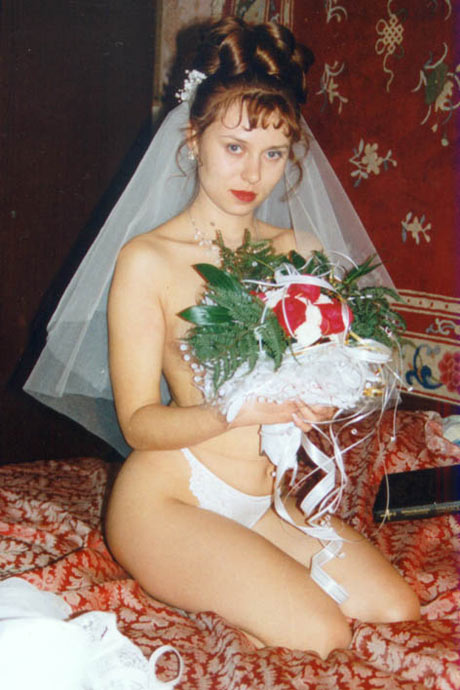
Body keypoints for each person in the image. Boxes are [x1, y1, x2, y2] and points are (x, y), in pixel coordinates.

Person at [24, 17, 419, 658]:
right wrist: (233, 410)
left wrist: (323, 397)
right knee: (324, 634)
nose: (252, 172)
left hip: (263, 498)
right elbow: (139, 424)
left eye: (273, 153)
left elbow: (331, 374)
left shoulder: (300, 251)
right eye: (234, 146)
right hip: (170, 499)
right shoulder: (148, 260)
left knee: (397, 608)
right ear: (194, 139)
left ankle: (246, 571)